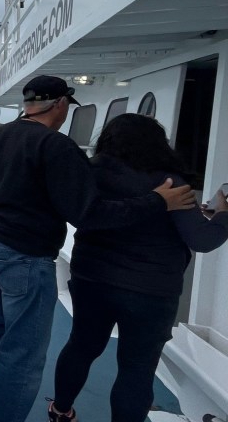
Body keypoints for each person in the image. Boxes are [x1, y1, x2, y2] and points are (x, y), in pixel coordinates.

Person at [0, 75, 196, 422]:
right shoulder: (56, 145)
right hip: (25, 256)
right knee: (23, 352)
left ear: (27, 104)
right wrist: (158, 201)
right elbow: (88, 214)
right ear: (59, 104)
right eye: (66, 107)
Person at [49, 114, 228, 422]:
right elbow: (201, 239)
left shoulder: (89, 172)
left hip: (92, 279)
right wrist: (223, 213)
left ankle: (60, 410)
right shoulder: (170, 183)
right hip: (151, 291)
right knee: (136, 368)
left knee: (81, 346)